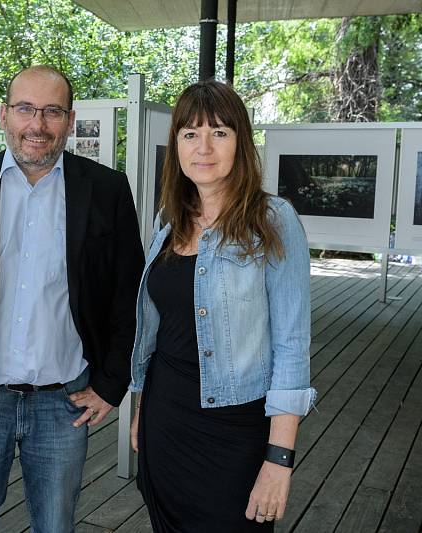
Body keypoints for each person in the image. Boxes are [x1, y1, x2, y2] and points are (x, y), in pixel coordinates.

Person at [0, 65, 144, 532]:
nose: (37, 125)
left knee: (55, 526)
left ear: (71, 119)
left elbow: (128, 297)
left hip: (63, 403)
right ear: (4, 115)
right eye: (25, 109)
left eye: (52, 111)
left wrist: (111, 383)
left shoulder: (106, 189)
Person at [129, 80, 317, 532]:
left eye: (220, 132)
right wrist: (141, 410)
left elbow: (291, 346)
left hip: (235, 432)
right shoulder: (168, 218)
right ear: (176, 145)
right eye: (190, 134)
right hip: (165, 420)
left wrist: (279, 460)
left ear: (241, 142)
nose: (204, 147)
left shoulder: (273, 221)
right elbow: (160, 330)